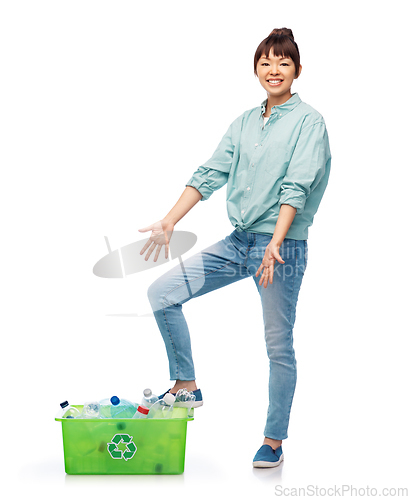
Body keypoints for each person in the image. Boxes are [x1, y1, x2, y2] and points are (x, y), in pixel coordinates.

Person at [138, 27, 331, 468]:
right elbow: (210, 173)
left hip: (280, 250)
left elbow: (295, 187)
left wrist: (276, 243)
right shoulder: (244, 122)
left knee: (278, 346)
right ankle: (186, 385)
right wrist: (170, 220)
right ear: (256, 70)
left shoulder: (310, 122)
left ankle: (273, 441)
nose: (274, 70)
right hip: (239, 242)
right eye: (266, 63)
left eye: (284, 63)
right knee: (162, 294)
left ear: (298, 70)